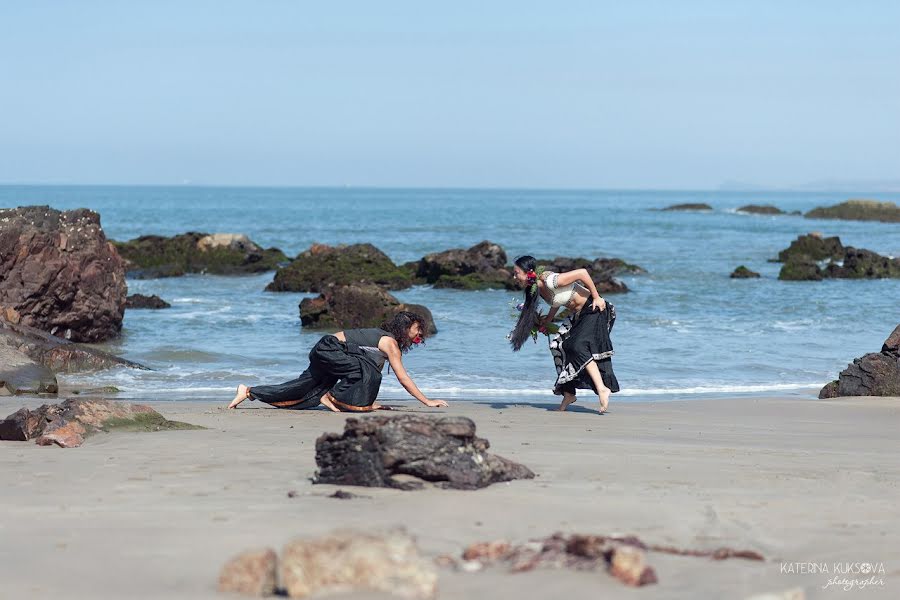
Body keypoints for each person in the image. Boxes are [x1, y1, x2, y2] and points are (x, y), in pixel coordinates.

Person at [227, 311, 448, 412]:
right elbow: (402, 377)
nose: (420, 335)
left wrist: (369, 400)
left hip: (325, 349)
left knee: (301, 389)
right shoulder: (389, 344)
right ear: (405, 328)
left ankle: (247, 391)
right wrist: (426, 401)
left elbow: (370, 376)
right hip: (330, 349)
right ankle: (330, 396)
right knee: (364, 371)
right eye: (418, 330)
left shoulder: (384, 344)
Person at [509, 255, 619, 414]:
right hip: (578, 315)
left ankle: (602, 389)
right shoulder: (537, 289)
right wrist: (547, 320)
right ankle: (568, 394)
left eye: (516, 273)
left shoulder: (551, 280)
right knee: (558, 346)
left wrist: (596, 297)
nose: (514, 277)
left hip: (595, 309)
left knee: (576, 346)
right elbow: (557, 301)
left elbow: (582, 273)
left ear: (529, 272)